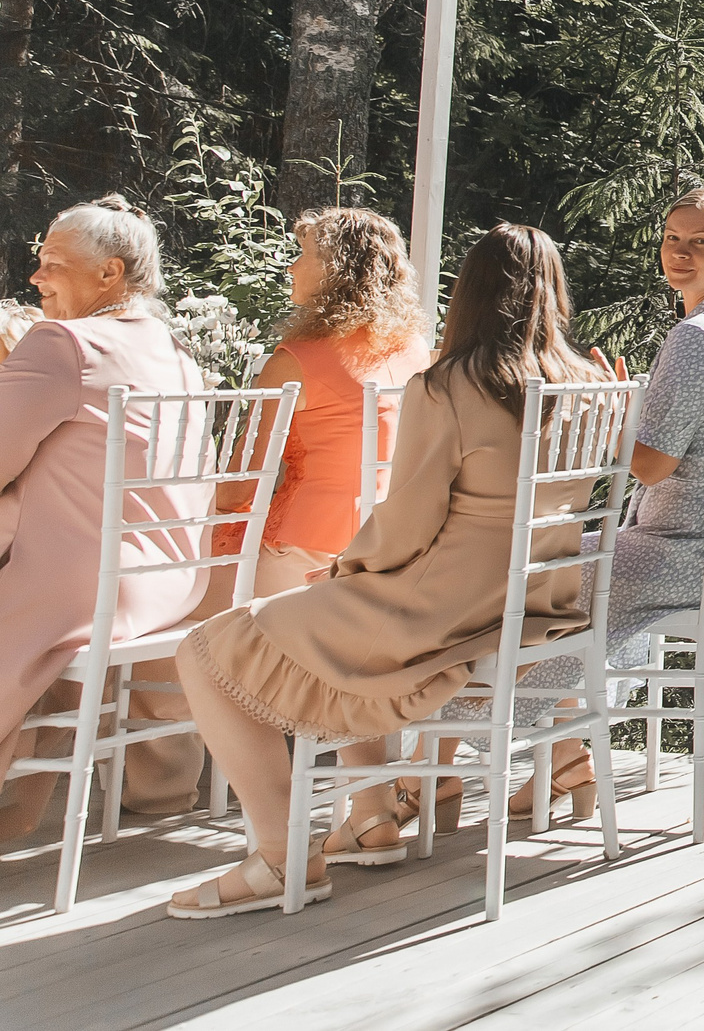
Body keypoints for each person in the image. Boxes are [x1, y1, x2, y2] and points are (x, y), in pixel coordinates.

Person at [168, 224, 605, 918]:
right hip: (532, 608)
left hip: (438, 613)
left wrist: (347, 570)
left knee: (201, 652)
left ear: (468, 293)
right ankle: (360, 813)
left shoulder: (449, 385)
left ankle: (282, 857)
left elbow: (406, 522)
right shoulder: (589, 385)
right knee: (276, 640)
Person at [499, 186, 704, 820]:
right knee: (567, 565)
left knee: (532, 574)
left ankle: (448, 760)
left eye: (700, 243)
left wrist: (610, 409)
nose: (680, 253)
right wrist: (629, 400)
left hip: (683, 555)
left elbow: (651, 465)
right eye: (673, 238)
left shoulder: (698, 336)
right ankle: (567, 757)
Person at [0, 199, 211, 841]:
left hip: (84, 587)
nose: (36, 277)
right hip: (171, 579)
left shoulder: (64, 343)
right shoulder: (171, 346)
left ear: (109, 273)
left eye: (52, 264)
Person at [219, 209, 433, 595]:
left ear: (337, 269)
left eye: (303, 253)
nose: (291, 267)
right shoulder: (413, 349)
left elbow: (239, 490)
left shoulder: (296, 361)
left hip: (305, 556)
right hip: (391, 549)